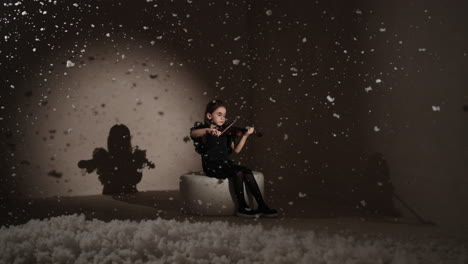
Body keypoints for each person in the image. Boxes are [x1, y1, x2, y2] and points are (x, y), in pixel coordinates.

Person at [190, 100, 278, 218]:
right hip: (212, 165)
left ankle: (262, 205)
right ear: (209, 116)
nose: (223, 118)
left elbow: (236, 150)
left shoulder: (227, 132)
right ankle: (242, 207)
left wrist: (245, 136)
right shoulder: (203, 130)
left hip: (226, 164)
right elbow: (193, 134)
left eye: (224, 116)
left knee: (246, 171)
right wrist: (208, 130)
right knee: (238, 173)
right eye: (219, 114)